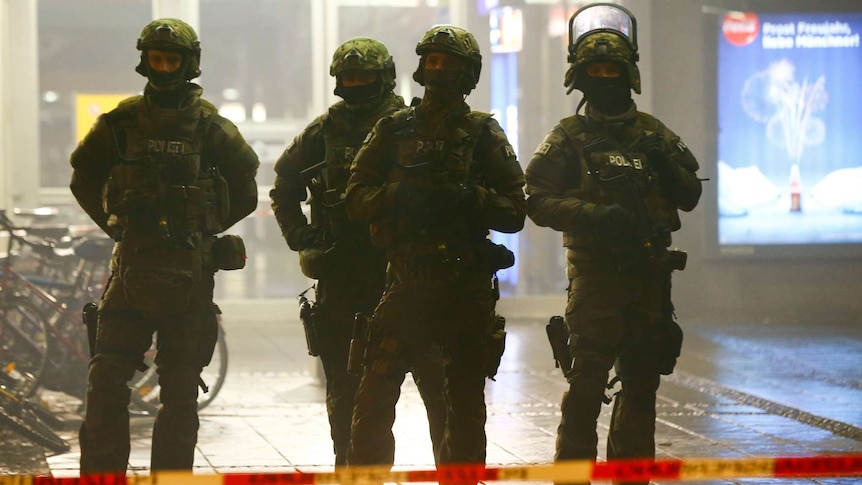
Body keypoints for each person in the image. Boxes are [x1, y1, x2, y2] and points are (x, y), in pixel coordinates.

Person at [70, 18, 259, 474]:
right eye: (156, 58)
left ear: (189, 63)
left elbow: (248, 190)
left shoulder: (213, 129)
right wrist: (117, 227)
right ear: (144, 61)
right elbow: (84, 178)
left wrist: (203, 227)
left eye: (172, 59)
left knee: (178, 392)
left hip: (190, 276)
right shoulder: (120, 124)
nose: (164, 67)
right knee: (106, 380)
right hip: (132, 270)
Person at [525, 4, 702, 484]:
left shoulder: (654, 133)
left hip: (649, 280)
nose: (604, 77)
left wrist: (664, 162)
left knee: (642, 390)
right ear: (579, 78)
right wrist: (593, 216)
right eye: (594, 70)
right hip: (595, 279)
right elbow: (535, 198)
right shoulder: (569, 137)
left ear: (628, 75)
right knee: (585, 389)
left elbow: (691, 194)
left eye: (611, 69)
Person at [343, 25, 526, 479]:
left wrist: (468, 196)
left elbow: (516, 210)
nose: (439, 70)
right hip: (405, 284)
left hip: (464, 289)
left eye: (450, 63)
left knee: (463, 407)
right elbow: (354, 196)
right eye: (433, 61)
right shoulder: (394, 128)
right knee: (371, 401)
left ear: (468, 75)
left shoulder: (483, 132)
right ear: (421, 67)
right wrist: (396, 195)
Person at [269, 37, 447, 467]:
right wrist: (302, 236)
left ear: (384, 78)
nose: (357, 85)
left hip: (409, 275)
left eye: (365, 78)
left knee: (441, 391)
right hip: (344, 277)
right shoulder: (323, 132)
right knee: (348, 396)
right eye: (349, 78)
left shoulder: (414, 126)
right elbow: (284, 187)